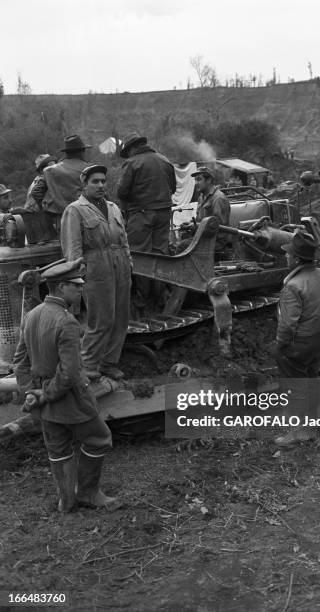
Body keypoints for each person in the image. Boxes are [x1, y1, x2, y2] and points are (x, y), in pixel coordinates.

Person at [13, 259, 119, 513]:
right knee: (99, 439)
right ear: (61, 287)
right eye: (76, 286)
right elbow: (70, 371)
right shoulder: (67, 321)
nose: (81, 290)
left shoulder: (32, 315)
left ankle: (66, 502)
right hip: (69, 397)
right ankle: (87, 492)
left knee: (58, 446)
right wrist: (44, 394)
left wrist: (31, 392)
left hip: (43, 398)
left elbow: (20, 361)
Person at [61, 165, 132, 381]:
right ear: (84, 185)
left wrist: (129, 263)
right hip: (95, 269)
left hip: (120, 268)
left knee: (120, 319)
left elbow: (124, 240)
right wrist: (76, 277)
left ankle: (109, 363)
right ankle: (88, 367)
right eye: (95, 181)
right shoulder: (75, 209)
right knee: (100, 321)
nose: (101, 185)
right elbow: (72, 248)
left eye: (103, 181)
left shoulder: (113, 207)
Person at [117, 132, 176, 313]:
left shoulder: (132, 163)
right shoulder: (165, 160)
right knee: (160, 255)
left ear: (133, 148)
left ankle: (142, 304)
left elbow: (122, 191)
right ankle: (160, 301)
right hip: (164, 213)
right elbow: (172, 188)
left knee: (139, 256)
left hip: (141, 214)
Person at [275, 230, 320, 379]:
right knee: (312, 374)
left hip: (299, 343)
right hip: (316, 337)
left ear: (296, 259)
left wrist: (280, 345)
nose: (286, 256)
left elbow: (288, 325)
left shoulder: (293, 286)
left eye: (289, 254)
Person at [40, 135, 91, 226]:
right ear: (81, 152)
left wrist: (47, 209)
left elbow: (36, 191)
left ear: (66, 153)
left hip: (61, 219)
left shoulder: (49, 171)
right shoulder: (88, 169)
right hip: (86, 217)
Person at [191, 166, 231, 260]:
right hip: (204, 238)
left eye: (199, 179)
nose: (196, 183)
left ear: (209, 180)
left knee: (182, 246)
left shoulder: (218, 198)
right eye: (195, 180)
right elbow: (199, 220)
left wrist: (196, 226)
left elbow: (218, 227)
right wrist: (191, 225)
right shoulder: (201, 196)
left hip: (216, 243)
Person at [24, 154, 58, 244]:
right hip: (38, 219)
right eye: (51, 164)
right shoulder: (45, 178)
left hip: (32, 218)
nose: (55, 166)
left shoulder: (38, 179)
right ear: (42, 168)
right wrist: (49, 209)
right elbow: (36, 193)